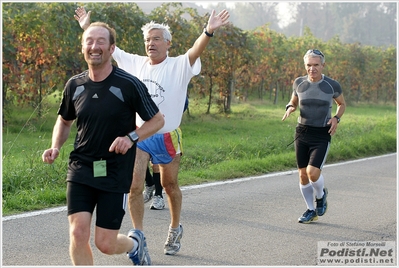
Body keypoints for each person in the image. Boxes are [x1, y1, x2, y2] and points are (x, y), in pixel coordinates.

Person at [74, 6, 230, 256]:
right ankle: (139, 235)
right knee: (135, 186)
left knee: (169, 185)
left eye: (156, 39)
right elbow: (110, 51)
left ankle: (175, 227)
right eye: (147, 39)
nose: (151, 43)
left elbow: (195, 50)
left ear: (168, 43)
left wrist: (208, 31)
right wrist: (86, 29)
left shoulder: (180, 65)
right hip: (141, 134)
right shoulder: (135, 62)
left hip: (168, 135)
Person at [42, 21, 164, 265]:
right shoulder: (74, 85)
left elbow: (158, 120)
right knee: (77, 233)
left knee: (105, 244)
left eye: (100, 41)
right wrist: (56, 146)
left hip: (114, 170)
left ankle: (135, 243)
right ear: (83, 48)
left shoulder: (128, 84)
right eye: (89, 41)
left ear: (111, 49)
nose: (94, 46)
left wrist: (131, 138)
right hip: (81, 168)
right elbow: (64, 121)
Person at [282, 49, 346, 224]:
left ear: (323, 65)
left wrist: (336, 118)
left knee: (312, 172)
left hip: (321, 134)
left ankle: (321, 195)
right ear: (305, 66)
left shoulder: (332, 85)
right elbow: (293, 101)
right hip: (302, 132)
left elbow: (341, 104)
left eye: (316, 65)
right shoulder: (299, 83)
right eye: (309, 65)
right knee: (302, 175)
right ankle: (311, 210)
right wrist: (290, 107)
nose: (312, 69)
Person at [143, 96, 189, 210]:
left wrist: (170, 117)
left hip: (164, 128)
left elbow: (184, 102)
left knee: (157, 164)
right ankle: (149, 183)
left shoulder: (172, 82)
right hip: (144, 126)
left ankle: (158, 196)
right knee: (136, 161)